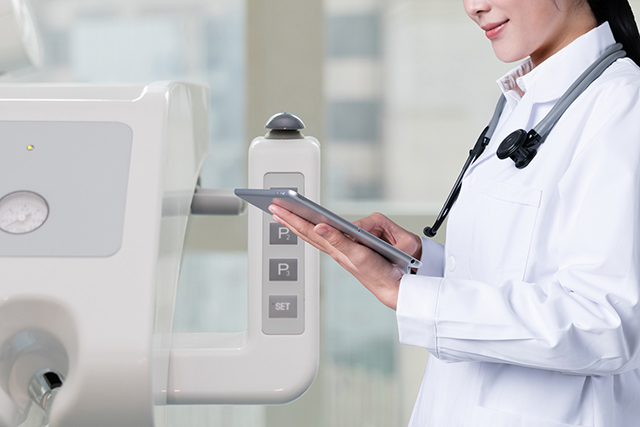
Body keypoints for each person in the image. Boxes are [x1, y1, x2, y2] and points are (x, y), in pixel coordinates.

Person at [269, 0, 640, 425]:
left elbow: (607, 325)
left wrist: (408, 296)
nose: (473, 7)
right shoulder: (526, 97)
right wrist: (420, 262)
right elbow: (522, 271)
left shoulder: (623, 106)